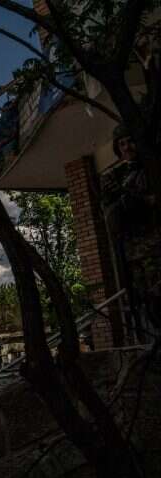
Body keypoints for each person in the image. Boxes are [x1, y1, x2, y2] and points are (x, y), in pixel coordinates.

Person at [101, 123, 160, 331]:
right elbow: (111, 213)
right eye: (122, 144)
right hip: (132, 250)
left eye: (130, 141)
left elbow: (151, 201)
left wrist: (134, 199)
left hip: (153, 245)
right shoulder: (115, 175)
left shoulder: (151, 169)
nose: (127, 147)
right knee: (145, 300)